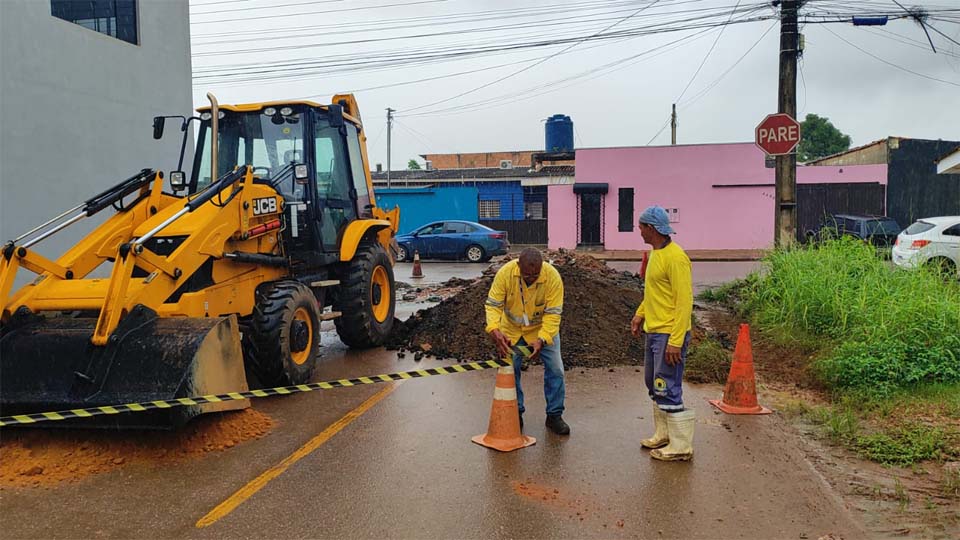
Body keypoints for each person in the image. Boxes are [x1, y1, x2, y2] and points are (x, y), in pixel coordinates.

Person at [631, 206, 695, 461]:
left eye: (641, 227)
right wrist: (640, 313)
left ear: (652, 228)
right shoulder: (655, 254)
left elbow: (684, 302)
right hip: (654, 331)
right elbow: (653, 293)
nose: (639, 231)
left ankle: (681, 446)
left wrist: (676, 342)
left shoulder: (676, 258)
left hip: (669, 334)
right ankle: (664, 434)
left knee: (667, 386)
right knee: (654, 383)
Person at [485, 248, 570, 435]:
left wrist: (543, 338)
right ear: (518, 266)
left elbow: (554, 314)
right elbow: (493, 305)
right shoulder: (506, 273)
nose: (531, 278)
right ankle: (516, 413)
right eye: (527, 275)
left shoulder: (552, 277)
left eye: (535, 274)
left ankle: (554, 415)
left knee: (556, 369)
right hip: (511, 331)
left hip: (542, 329)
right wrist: (494, 329)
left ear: (542, 267)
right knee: (509, 371)